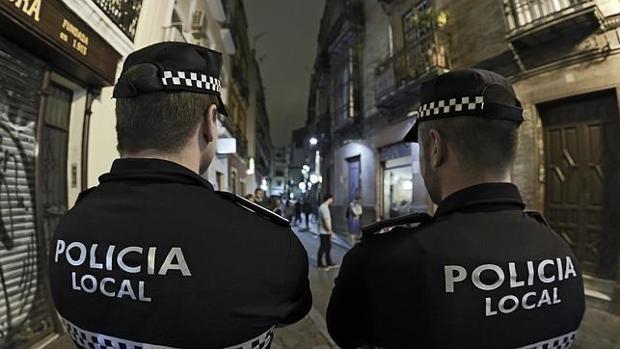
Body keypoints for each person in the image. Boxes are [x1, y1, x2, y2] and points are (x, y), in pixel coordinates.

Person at [49, 42, 311, 349]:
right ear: (209, 122)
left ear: (122, 122)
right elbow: (290, 312)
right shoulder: (270, 244)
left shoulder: (68, 227)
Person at [327, 69, 585, 348]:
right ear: (512, 148)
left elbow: (348, 336)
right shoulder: (563, 254)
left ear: (435, 147)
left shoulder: (379, 261)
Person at [317, 194, 338, 270]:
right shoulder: (324, 208)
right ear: (329, 199)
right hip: (324, 232)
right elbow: (325, 220)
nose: (332, 201)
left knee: (327, 247)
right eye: (332, 199)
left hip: (324, 231)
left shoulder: (322, 207)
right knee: (323, 247)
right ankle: (320, 264)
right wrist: (330, 231)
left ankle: (329, 262)